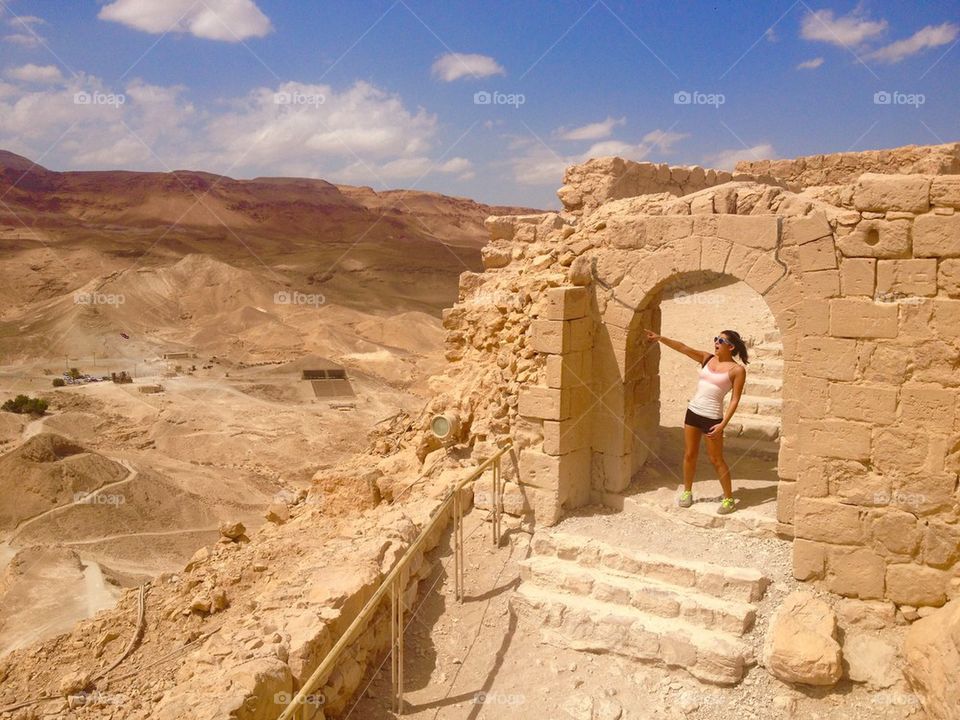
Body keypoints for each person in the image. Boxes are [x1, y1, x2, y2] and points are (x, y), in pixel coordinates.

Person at [642, 329, 749, 514]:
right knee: (689, 454)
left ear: (731, 347)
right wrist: (660, 338)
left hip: (713, 418)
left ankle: (729, 499)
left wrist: (723, 424)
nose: (715, 342)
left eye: (720, 340)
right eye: (715, 338)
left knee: (716, 459)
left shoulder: (737, 370)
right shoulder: (707, 358)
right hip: (693, 413)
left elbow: (735, 399)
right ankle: (687, 492)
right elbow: (683, 348)